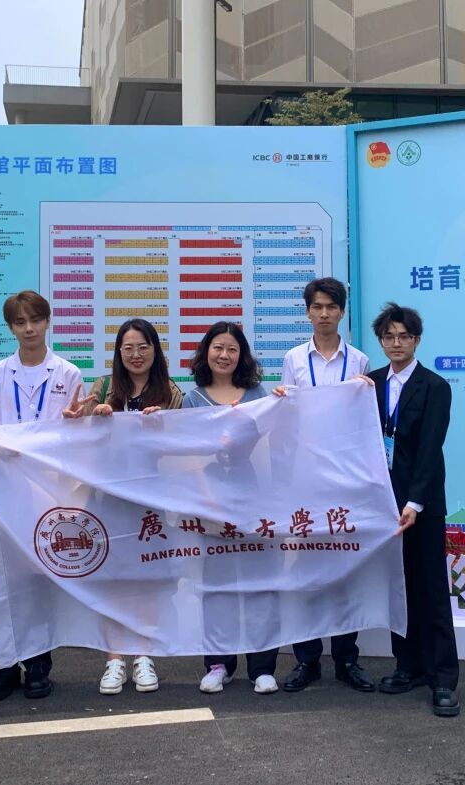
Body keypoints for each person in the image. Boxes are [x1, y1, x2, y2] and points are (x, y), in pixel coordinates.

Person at [64, 317, 183, 694]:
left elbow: (183, 444)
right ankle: (114, 659)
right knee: (112, 580)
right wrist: (85, 419)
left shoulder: (171, 392)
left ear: (155, 351)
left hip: (150, 499)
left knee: (147, 580)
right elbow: (79, 439)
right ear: (118, 352)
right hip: (107, 498)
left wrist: (161, 427)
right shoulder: (102, 387)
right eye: (128, 348)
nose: (135, 354)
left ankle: (144, 655)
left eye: (143, 347)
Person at [0, 290, 83, 701]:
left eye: (35, 320)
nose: (28, 329)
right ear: (10, 328)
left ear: (47, 321)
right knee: (5, 580)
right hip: (5, 489)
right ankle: (4, 664)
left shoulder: (68, 373)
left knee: (40, 579)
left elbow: (75, 436)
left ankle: (39, 664)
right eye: (20, 322)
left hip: (48, 491)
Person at [274, 277, 375, 694]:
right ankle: (307, 660)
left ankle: (347, 659)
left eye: (331, 307)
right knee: (306, 572)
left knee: (345, 571)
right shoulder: (294, 358)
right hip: (306, 479)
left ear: (342, 312)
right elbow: (286, 418)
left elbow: (364, 422)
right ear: (307, 312)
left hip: (346, 480)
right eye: (317, 307)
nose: (324, 314)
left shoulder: (360, 362)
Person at [369, 302, 460, 717]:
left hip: (421, 505)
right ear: (381, 341)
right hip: (383, 504)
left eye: (404, 336)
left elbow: (429, 449)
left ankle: (443, 679)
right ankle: (408, 666)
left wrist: (414, 502)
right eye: (389, 336)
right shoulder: (370, 384)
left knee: (431, 590)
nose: (396, 343)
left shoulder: (434, 386)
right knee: (399, 588)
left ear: (417, 340)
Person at [181, 321, 280, 695]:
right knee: (216, 587)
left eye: (232, 349)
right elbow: (188, 456)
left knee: (259, 583)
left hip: (252, 497)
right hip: (209, 499)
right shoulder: (192, 399)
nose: (224, 355)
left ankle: (262, 667)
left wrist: (282, 403)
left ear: (242, 356)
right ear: (206, 352)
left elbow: (273, 441)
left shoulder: (257, 394)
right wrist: (205, 497)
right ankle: (218, 664)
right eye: (218, 347)